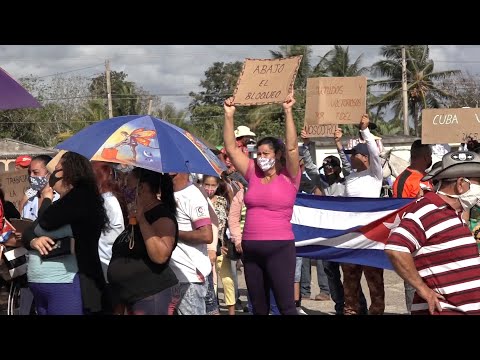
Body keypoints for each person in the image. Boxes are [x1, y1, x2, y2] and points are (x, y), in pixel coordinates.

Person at [223, 93, 300, 315]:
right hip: (252, 250)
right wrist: (229, 116)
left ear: (277, 155)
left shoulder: (290, 175)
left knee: (286, 306)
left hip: (280, 249)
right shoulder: (252, 173)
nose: (260, 157)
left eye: (266, 153)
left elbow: (293, 148)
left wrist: (288, 111)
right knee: (258, 307)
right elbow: (230, 148)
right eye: (258, 153)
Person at [385, 150, 480, 315]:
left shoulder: (452, 212)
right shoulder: (427, 209)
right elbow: (395, 248)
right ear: (461, 184)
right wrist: (423, 289)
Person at [22, 151, 110, 314]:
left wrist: (47, 198)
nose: (52, 174)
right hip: (44, 286)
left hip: (66, 284)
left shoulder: (79, 201)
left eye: (56, 170)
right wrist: (34, 241)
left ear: (69, 173)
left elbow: (45, 222)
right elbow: (28, 232)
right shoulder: (64, 202)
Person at [107, 168, 179, 315]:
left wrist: (142, 220)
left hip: (151, 296)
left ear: (142, 187)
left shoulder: (162, 217)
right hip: (131, 297)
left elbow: (160, 255)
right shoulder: (140, 215)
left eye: (128, 184)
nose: (125, 189)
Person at [334, 115, 385, 315]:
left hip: (371, 238)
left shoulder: (375, 174)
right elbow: (342, 158)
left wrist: (364, 131)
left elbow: (373, 150)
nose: (350, 156)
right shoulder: (351, 177)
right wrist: (337, 142)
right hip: (351, 238)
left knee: (376, 287)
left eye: (353, 154)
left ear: (364, 158)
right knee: (350, 287)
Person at [392, 140, 433, 314]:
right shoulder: (403, 180)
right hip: (414, 242)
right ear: (425, 156)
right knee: (413, 283)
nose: (431, 158)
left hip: (432, 239)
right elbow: (400, 213)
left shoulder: (431, 178)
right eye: (430, 155)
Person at [168, 172, 213, 315]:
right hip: (173, 276)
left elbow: (206, 235)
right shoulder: (170, 194)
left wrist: (173, 233)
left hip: (190, 278)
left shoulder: (192, 195)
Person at [91, 161, 127, 313]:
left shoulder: (108, 202)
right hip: (107, 270)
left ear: (104, 173)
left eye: (91, 173)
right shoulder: (106, 200)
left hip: (108, 270)